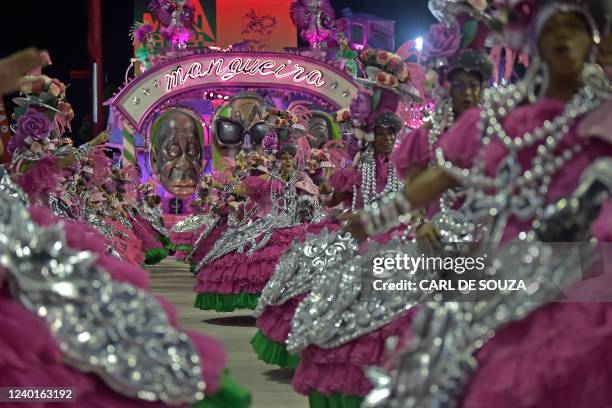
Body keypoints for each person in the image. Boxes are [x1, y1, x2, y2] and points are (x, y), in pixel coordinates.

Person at [349, 2, 612, 407]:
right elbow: (440, 176)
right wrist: (376, 218)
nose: (564, 37)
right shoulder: (499, 117)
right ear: (534, 39)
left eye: (574, 28)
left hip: (584, 271)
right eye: (553, 28)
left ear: (594, 39)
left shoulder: (603, 115)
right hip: (503, 269)